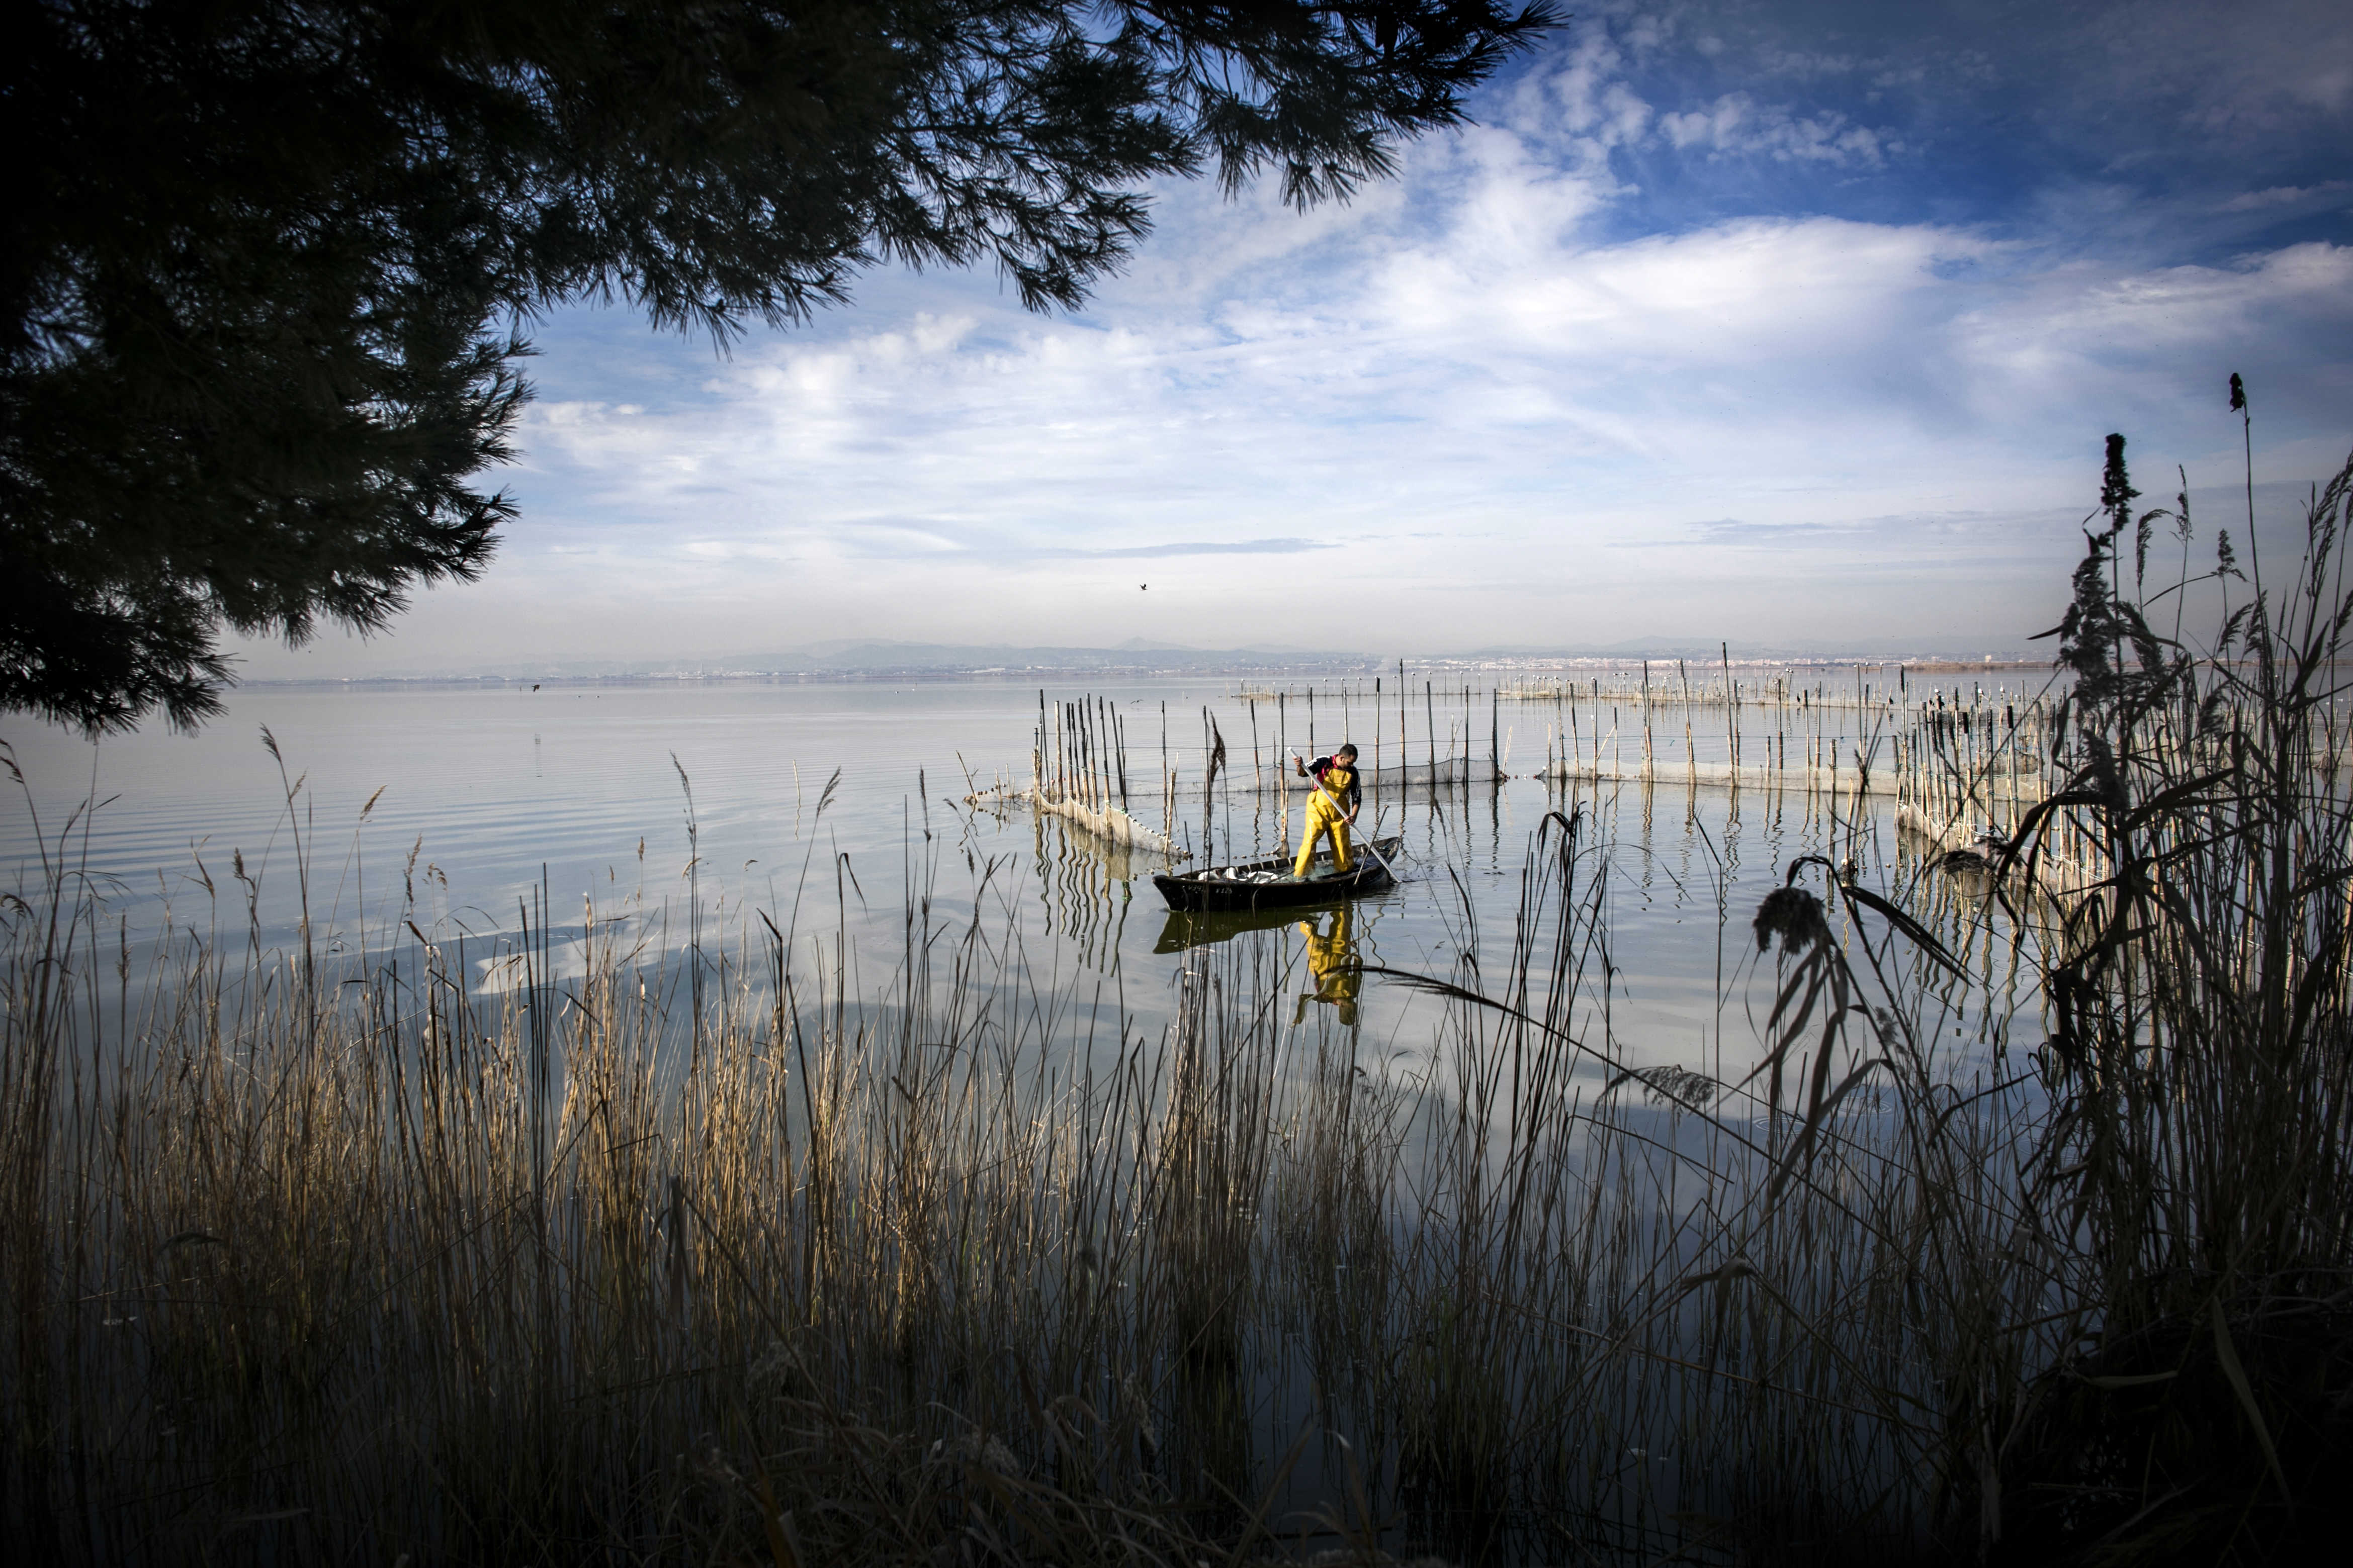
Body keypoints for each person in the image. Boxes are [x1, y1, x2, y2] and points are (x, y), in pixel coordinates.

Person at [1290, 742, 1360, 878]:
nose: (1351, 766)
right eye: (1349, 762)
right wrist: (1299, 765)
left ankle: (1344, 873)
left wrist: (1353, 816)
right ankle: (1302, 875)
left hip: (1339, 814)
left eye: (1353, 763)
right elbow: (1303, 773)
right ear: (1341, 758)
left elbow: (1357, 797)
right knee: (1310, 841)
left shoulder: (1353, 772)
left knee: (1342, 844)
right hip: (1318, 810)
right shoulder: (1324, 762)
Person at [1293, 904, 1362, 1028]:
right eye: (1353, 1002)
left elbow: (1304, 998)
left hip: (1319, 963)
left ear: (1341, 1006)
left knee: (1311, 934)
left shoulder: (1325, 999)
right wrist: (1357, 957)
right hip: (1340, 955)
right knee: (1343, 923)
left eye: (1349, 1003)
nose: (1351, 999)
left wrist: (1300, 1012)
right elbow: (1358, 971)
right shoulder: (1354, 992)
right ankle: (1342, 903)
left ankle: (1305, 909)